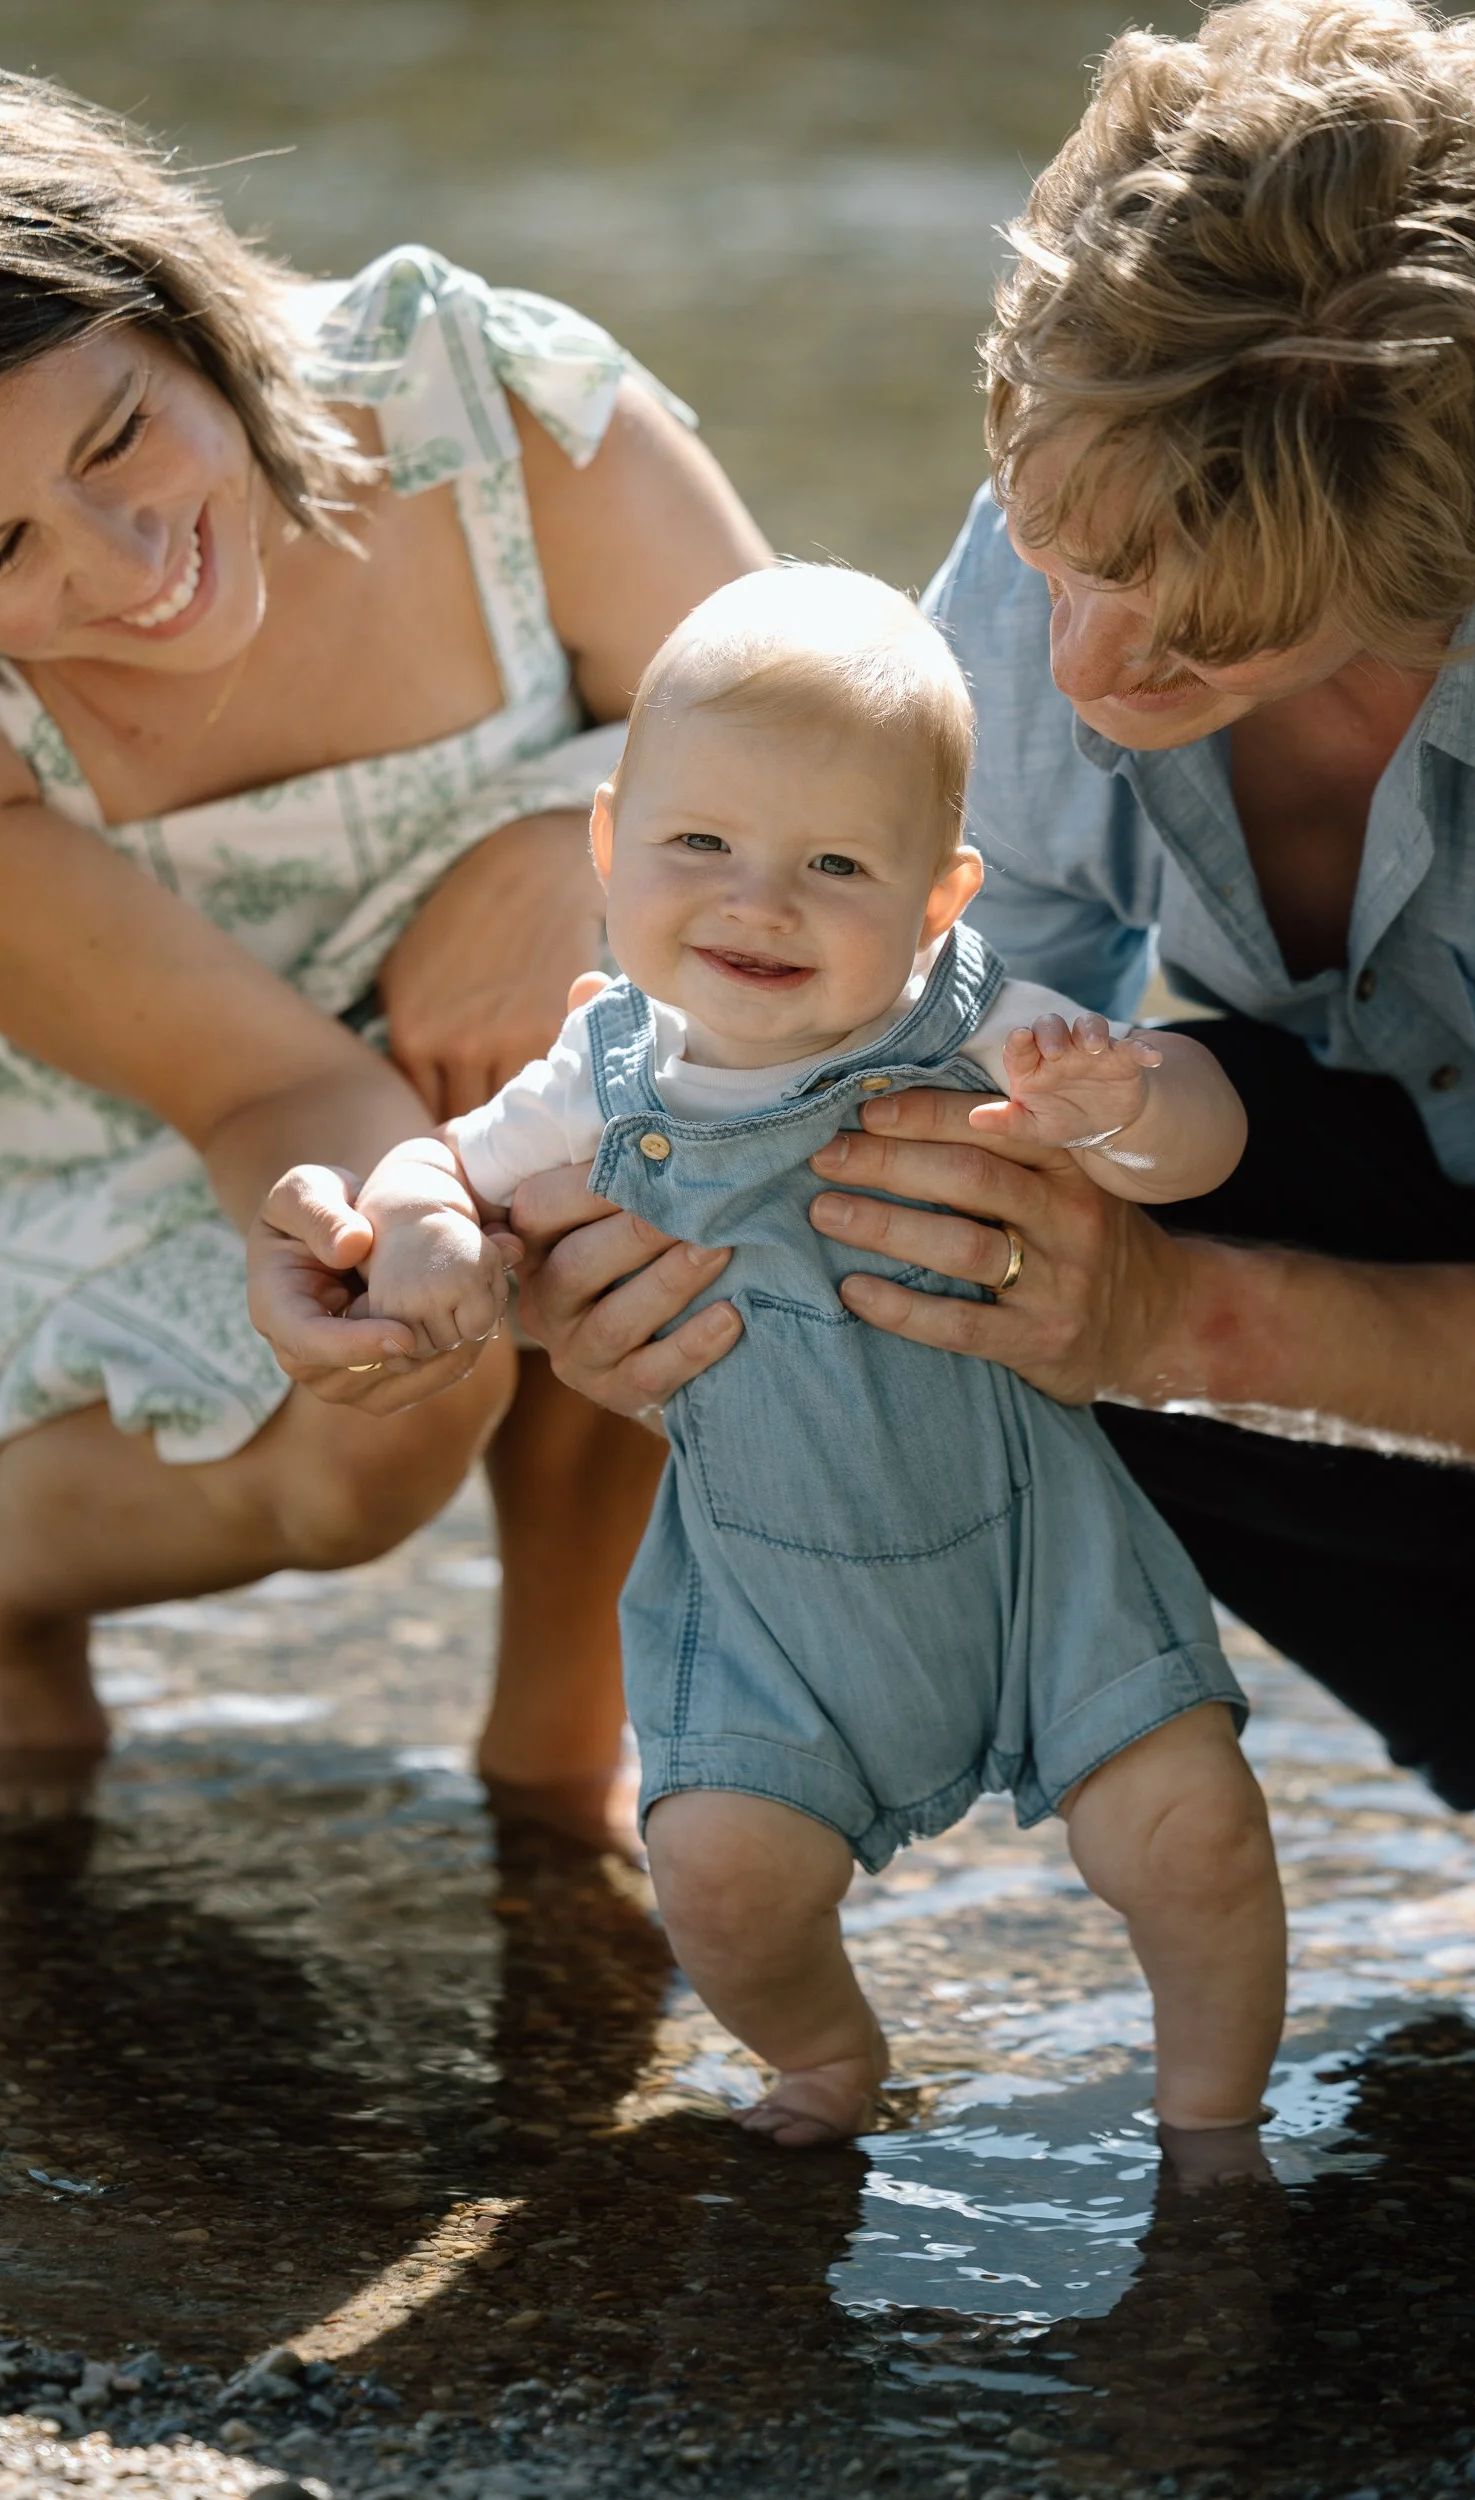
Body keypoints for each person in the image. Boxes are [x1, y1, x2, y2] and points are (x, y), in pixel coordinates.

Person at [504, 0, 1475, 1815]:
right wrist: (627, 1246)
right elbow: (848, 1054)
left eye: (1201, 630)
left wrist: (1175, 1321)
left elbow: (1155, 1301)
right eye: (1056, 556)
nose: (1086, 667)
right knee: (944, 1170)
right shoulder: (1116, 463)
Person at [0, 66, 769, 1826]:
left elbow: (794, 740)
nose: (126, 563)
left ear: (176, 305)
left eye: (116, 439)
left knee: (690, 1097)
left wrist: (567, 854)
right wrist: (402, 1220)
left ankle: (559, 1774)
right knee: (388, 1409)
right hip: (72, 1157)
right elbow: (266, 1082)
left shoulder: (485, 409)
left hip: (488, 1045)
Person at [337, 566, 1282, 2150]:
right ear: (606, 844)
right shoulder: (599, 1071)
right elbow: (443, 1162)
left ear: (936, 899)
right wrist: (424, 1227)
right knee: (716, 1870)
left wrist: (1118, 1102)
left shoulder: (968, 1016)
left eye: (835, 864)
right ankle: (829, 2058)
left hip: (1034, 1556)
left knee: (1191, 1835)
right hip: (773, 1596)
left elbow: (1202, 1142)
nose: (755, 901)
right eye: (698, 844)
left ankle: (1212, 2130)